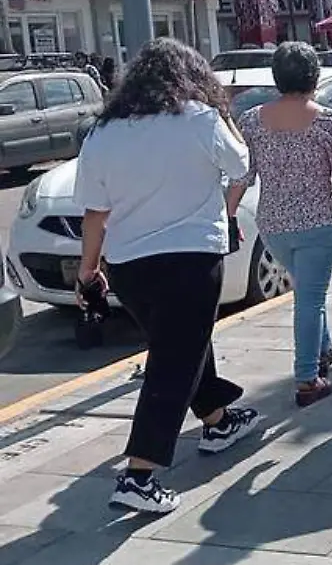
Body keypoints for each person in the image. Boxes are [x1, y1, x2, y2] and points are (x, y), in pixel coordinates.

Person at [73, 38, 262, 514]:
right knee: (173, 361)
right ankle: (139, 475)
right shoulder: (200, 119)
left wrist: (87, 272)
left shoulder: (105, 130)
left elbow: (95, 213)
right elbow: (241, 166)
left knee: (183, 344)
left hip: (128, 266)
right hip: (191, 258)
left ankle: (218, 420)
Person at [227, 42, 332, 407]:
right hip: (319, 224)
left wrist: (228, 215)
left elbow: (242, 175)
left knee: (307, 290)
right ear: (314, 76)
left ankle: (324, 348)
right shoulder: (329, 121)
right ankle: (307, 379)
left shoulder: (251, 120)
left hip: (274, 226)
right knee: (309, 298)